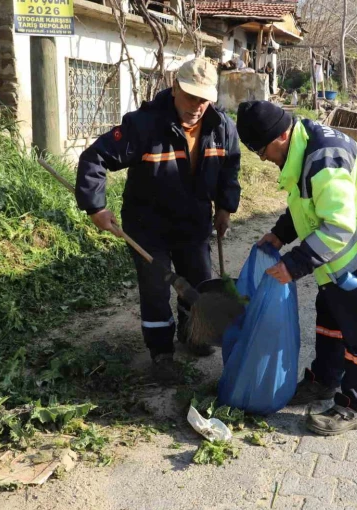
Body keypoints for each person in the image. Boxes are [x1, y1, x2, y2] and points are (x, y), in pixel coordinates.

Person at [235, 101, 357, 435]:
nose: (262, 159)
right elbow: (308, 202)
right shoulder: (303, 146)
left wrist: (295, 264)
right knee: (330, 314)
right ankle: (323, 379)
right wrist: (281, 235)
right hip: (343, 262)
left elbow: (338, 227)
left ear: (281, 135)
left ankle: (354, 405)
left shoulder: (324, 159)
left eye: (261, 150)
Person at [75, 58, 241, 381]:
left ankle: (193, 333)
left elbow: (229, 168)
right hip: (147, 224)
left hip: (193, 221)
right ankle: (162, 353)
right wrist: (96, 208)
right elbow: (95, 157)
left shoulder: (221, 127)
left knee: (198, 280)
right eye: (190, 96)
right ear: (175, 88)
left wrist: (225, 207)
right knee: (155, 287)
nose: (197, 106)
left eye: (204, 99)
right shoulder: (144, 125)